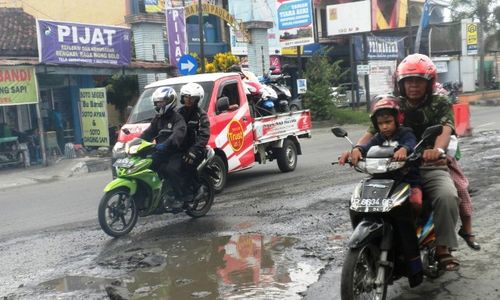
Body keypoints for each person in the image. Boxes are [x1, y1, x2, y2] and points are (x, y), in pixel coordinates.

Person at [340, 53, 460, 271]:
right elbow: (372, 132)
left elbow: (445, 129)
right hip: (393, 167)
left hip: (428, 164)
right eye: (408, 81)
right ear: (400, 84)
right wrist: (356, 149)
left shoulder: (440, 102)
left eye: (418, 81)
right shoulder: (394, 105)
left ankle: (443, 247)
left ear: (429, 83)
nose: (413, 86)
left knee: (447, 195)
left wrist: (437, 150)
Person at [350, 95, 423, 216]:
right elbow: (368, 146)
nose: (384, 126)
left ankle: (416, 225)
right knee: (363, 201)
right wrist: (358, 149)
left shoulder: (405, 132)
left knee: (415, 202)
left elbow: (411, 143)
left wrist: (404, 149)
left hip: (408, 179)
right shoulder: (379, 137)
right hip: (382, 179)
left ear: (397, 120)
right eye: (381, 123)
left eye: (388, 122)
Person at [140, 86, 187, 210]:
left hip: (175, 152)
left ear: (169, 101)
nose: (159, 105)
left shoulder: (177, 118)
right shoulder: (158, 119)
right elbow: (148, 133)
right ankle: (149, 197)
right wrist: (137, 142)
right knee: (146, 167)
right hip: (160, 152)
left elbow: (178, 134)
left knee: (171, 170)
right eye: (157, 102)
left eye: (161, 102)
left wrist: (166, 143)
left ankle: (180, 198)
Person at [178, 82, 211, 202]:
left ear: (198, 100)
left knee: (187, 163)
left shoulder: (201, 115)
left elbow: (204, 135)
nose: (188, 100)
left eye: (191, 98)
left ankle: (198, 188)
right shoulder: (178, 113)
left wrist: (193, 150)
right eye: (186, 97)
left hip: (196, 149)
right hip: (181, 148)